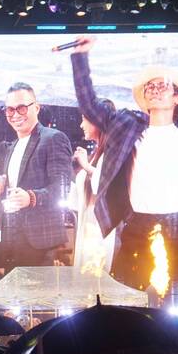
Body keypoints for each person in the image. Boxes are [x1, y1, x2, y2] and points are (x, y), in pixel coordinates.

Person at [70, 36, 178, 309]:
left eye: (163, 86)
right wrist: (80, 57)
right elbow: (89, 106)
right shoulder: (126, 124)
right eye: (150, 86)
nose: (155, 90)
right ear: (144, 97)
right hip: (139, 227)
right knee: (124, 307)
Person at [0, 82, 73, 270]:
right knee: (13, 296)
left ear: (36, 108)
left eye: (21, 108)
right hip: (9, 234)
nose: (15, 115)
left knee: (37, 297)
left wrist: (31, 197)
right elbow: (14, 183)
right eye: (10, 110)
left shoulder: (53, 138)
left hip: (40, 239)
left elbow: (62, 189)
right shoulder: (13, 146)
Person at [67, 99, 117, 272]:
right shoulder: (97, 154)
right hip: (88, 224)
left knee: (95, 278)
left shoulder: (113, 152)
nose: (81, 125)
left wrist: (87, 167)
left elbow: (110, 187)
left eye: (84, 119)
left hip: (99, 228)